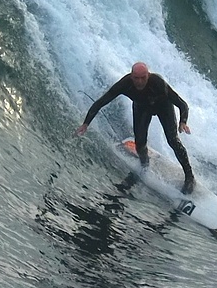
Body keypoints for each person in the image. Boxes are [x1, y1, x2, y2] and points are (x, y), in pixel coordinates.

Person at [77, 61, 195, 194]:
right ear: (131, 76)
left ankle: (189, 177)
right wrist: (86, 123)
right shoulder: (124, 84)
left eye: (143, 78)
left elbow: (182, 104)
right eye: (136, 78)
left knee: (173, 140)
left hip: (163, 108)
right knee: (139, 143)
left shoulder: (158, 83)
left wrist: (183, 121)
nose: (139, 81)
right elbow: (100, 102)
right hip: (142, 108)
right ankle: (144, 165)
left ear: (148, 75)